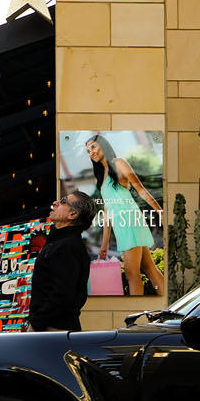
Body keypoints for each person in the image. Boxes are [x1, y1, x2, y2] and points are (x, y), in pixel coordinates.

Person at [85, 134, 165, 299]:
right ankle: (168, 300)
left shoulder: (118, 163)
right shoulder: (102, 175)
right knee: (148, 267)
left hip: (129, 220)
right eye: (88, 151)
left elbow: (140, 189)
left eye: (93, 147)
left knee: (131, 271)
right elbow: (108, 212)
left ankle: (135, 312)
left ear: (102, 145)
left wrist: (159, 211)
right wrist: (104, 243)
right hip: (121, 225)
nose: (91, 152)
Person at [28, 192, 97, 332]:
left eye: (63, 201)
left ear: (72, 214)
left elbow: (62, 293)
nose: (55, 203)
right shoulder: (60, 242)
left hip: (53, 330)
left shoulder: (67, 246)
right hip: (51, 328)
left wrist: (36, 324)